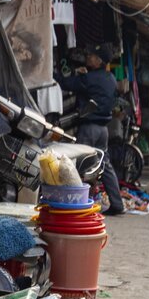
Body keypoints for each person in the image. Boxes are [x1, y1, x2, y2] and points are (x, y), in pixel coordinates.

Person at [60, 47, 124, 215]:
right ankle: (117, 204)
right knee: (105, 165)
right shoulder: (110, 78)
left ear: (99, 61)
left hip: (89, 128)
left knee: (79, 165)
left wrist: (56, 74)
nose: (88, 57)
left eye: (92, 56)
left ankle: (78, 204)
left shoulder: (89, 78)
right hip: (104, 129)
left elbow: (66, 83)